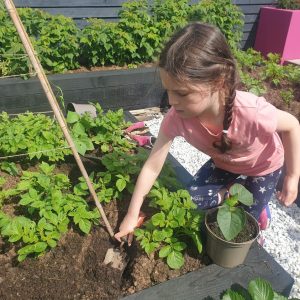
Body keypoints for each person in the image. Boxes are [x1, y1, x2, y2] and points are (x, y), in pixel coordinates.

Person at [115, 22, 300, 244]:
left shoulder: (253, 112)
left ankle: (260, 211)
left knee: (242, 227)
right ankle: (230, 190)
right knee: (190, 201)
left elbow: (291, 126)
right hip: (224, 165)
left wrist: (291, 176)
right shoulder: (176, 118)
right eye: (168, 91)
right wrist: (131, 213)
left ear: (218, 81)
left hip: (263, 168)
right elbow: (153, 166)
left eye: (182, 93)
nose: (172, 101)